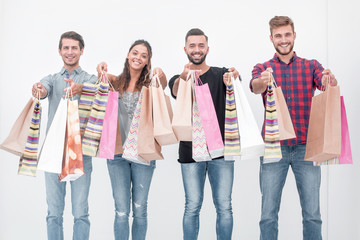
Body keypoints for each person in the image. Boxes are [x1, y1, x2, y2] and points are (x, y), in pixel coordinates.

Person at [250, 16, 338, 240]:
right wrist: (263, 80)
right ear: (271, 39)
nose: (283, 39)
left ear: (294, 36)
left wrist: (330, 79)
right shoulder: (263, 67)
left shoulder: (311, 65)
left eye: (287, 34)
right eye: (278, 36)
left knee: (312, 215)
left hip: (305, 148)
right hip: (273, 149)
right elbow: (255, 86)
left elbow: (325, 83)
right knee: (268, 215)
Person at [168, 28, 240, 240]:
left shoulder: (221, 74)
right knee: (192, 206)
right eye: (192, 45)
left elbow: (236, 81)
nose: (197, 50)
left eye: (201, 45)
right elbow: (174, 89)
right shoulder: (179, 78)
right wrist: (184, 76)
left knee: (225, 207)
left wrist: (234, 77)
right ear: (185, 49)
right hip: (190, 153)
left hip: (221, 153)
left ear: (207, 48)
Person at [96, 39, 167, 240]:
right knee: (121, 211)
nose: (138, 57)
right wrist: (99, 66)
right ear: (128, 55)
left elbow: (162, 83)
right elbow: (99, 75)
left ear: (147, 62)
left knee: (140, 209)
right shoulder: (115, 82)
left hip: (142, 152)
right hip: (117, 153)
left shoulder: (150, 84)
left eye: (143, 56)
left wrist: (160, 74)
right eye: (135, 53)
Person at [32, 31, 97, 240]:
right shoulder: (52, 79)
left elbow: (101, 91)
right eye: (66, 48)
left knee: (81, 213)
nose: (70, 52)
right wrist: (38, 90)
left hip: (81, 153)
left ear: (82, 50)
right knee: (53, 214)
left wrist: (82, 89)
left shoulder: (89, 78)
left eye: (74, 48)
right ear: (60, 51)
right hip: (53, 153)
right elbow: (42, 91)